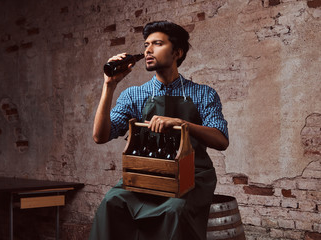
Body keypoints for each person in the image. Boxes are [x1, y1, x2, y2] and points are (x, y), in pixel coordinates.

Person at [90, 21, 229, 240]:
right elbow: (100, 136)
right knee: (111, 202)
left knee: (175, 210)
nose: (148, 50)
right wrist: (109, 85)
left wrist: (182, 124)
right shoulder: (133, 95)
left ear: (177, 52)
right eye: (146, 44)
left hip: (191, 176)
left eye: (157, 44)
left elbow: (221, 140)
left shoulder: (204, 94)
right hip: (146, 175)